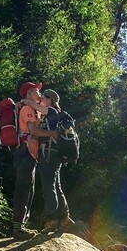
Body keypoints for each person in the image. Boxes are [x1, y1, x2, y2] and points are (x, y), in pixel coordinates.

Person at [11, 81, 58, 239]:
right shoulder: (27, 109)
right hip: (24, 153)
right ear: (29, 93)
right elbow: (33, 131)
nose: (40, 93)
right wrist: (52, 133)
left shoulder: (32, 108)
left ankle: (21, 226)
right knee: (23, 189)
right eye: (37, 91)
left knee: (28, 190)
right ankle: (17, 229)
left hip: (29, 154)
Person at [32, 89, 75, 232]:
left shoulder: (50, 110)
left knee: (48, 187)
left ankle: (51, 221)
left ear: (49, 99)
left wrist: (27, 102)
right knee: (56, 186)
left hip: (48, 153)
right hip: (56, 153)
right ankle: (65, 218)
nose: (41, 98)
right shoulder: (56, 114)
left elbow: (39, 108)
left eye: (43, 96)